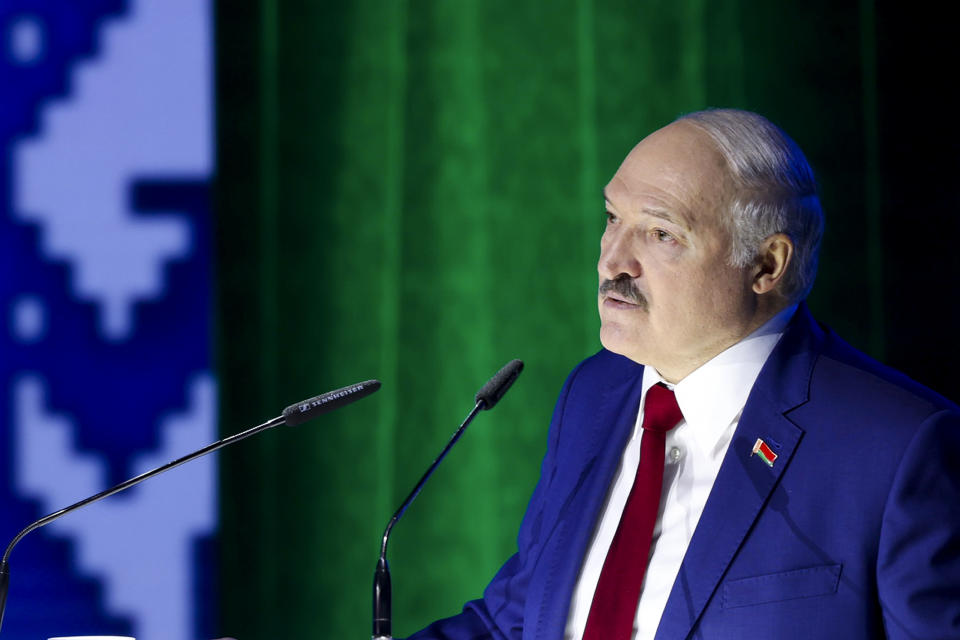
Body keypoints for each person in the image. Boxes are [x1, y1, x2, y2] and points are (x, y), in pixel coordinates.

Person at [403, 109, 960, 639]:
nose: (612, 260)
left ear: (767, 265)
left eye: (661, 233)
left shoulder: (897, 447)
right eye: (612, 219)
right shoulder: (595, 393)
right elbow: (516, 621)